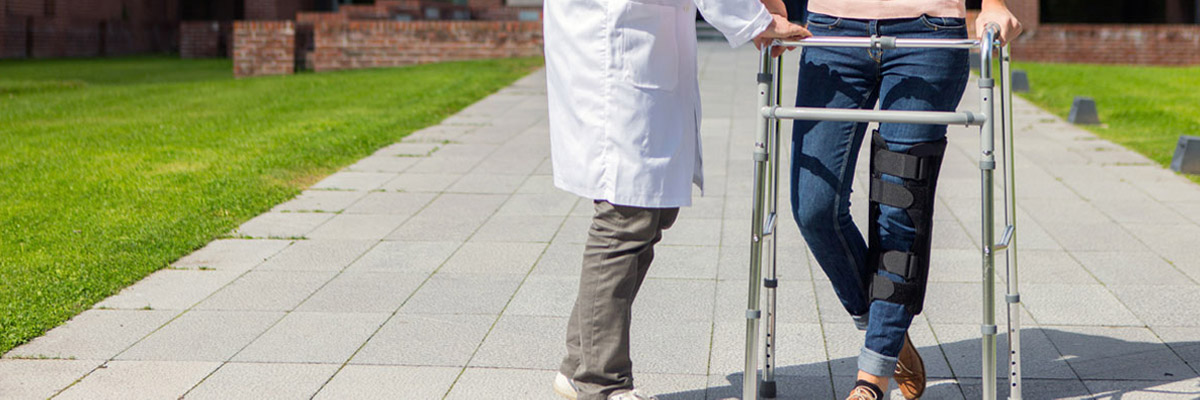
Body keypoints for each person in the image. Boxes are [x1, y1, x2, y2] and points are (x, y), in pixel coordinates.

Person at [542, 0, 810, 398]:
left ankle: (579, 362)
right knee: (625, 217)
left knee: (651, 212)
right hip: (615, 53)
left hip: (631, 43)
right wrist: (757, 21)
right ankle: (601, 380)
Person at [787, 1, 1021, 399]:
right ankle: (887, 331)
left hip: (927, 34)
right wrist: (771, 9)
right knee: (814, 208)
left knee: (900, 205)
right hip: (833, 31)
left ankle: (873, 373)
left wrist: (994, 5)